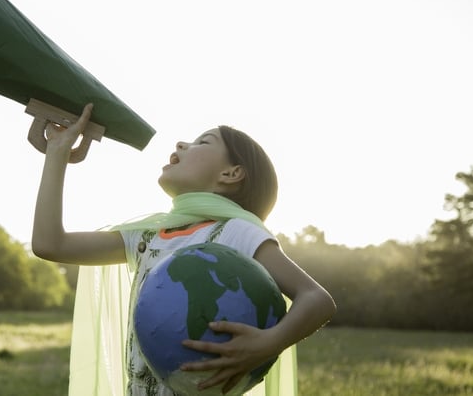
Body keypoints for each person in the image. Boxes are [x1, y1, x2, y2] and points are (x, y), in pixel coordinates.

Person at [32, 103, 336, 396]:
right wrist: (57, 152)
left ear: (231, 174)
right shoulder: (148, 235)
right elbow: (50, 244)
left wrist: (268, 344)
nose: (181, 144)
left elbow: (316, 298)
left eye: (202, 142)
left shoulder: (238, 232)